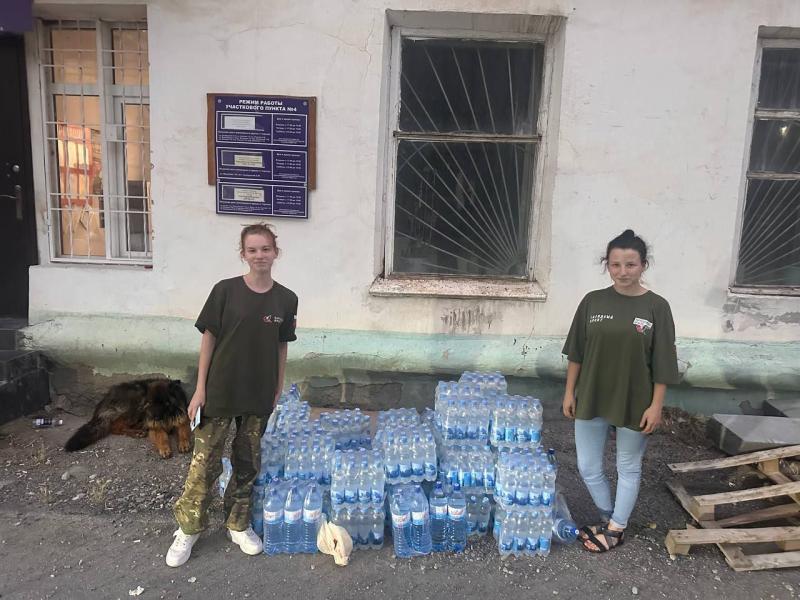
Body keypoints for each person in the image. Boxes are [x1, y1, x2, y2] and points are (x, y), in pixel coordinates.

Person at [166, 223, 298, 567]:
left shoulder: (286, 299)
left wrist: (278, 385)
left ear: (276, 252)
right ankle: (189, 528)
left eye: (265, 249)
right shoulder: (225, 291)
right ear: (243, 254)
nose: (259, 256)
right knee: (204, 463)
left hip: (259, 392)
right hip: (221, 390)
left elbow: (281, 345)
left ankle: (238, 523)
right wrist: (200, 389)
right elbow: (208, 339)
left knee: (247, 461)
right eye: (252, 250)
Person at [561, 229, 679, 553]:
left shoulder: (657, 307)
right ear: (607, 265)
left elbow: (664, 362)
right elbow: (576, 353)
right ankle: (608, 517)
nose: (623, 272)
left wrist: (656, 406)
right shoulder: (592, 301)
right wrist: (569, 392)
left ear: (643, 265)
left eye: (630, 264)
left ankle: (616, 528)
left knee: (628, 466)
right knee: (587, 466)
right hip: (592, 395)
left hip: (635, 400)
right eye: (615, 265)